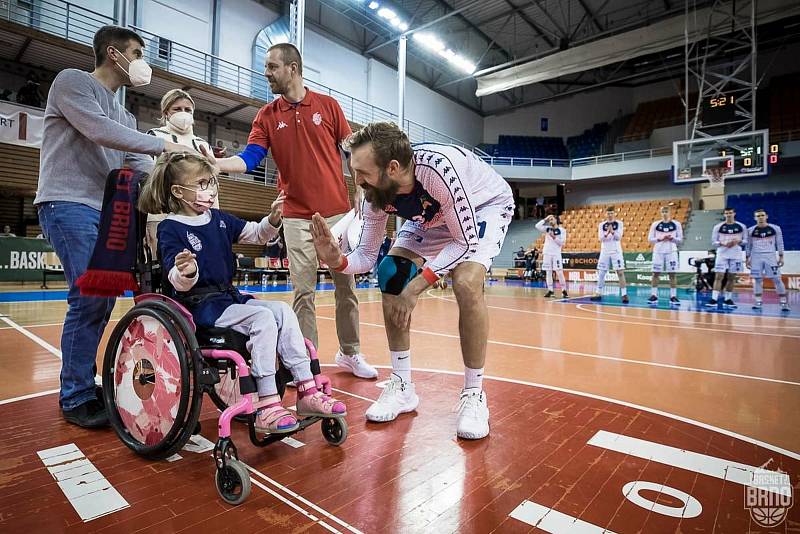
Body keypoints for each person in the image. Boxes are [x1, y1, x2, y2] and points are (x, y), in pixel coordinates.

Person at [310, 122, 515, 440]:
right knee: (391, 273)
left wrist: (417, 287)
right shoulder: (375, 194)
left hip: (483, 206)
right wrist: (336, 260)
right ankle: (402, 385)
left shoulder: (438, 171)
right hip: (432, 217)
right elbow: (366, 256)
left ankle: (474, 394)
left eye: (362, 172)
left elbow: (463, 242)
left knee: (466, 281)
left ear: (392, 168)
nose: (356, 181)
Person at [33, 25, 187, 428]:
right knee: (88, 297)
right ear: (112, 53)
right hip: (67, 203)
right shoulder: (72, 83)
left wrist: (179, 185)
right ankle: (75, 394)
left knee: (100, 301)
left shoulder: (127, 115)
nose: (142, 61)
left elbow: (138, 164)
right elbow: (100, 130)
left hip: (106, 213)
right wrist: (163, 144)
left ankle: (85, 381)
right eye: (136, 51)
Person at [138, 152, 346, 433]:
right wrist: (185, 272)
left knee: (283, 310)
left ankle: (307, 389)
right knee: (261, 320)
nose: (210, 189)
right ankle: (268, 402)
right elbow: (175, 280)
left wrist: (272, 220)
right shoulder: (170, 228)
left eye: (211, 182)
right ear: (178, 191)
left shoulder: (220, 219)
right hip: (199, 306)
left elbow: (255, 234)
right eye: (202, 184)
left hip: (228, 297)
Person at [208, 42, 376, 379]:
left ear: (292, 69)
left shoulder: (328, 106)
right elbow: (251, 157)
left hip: (337, 215)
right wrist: (217, 164)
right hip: (296, 215)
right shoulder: (266, 116)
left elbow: (352, 148)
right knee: (304, 291)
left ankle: (350, 353)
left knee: (346, 288)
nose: (266, 73)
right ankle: (307, 361)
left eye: (272, 67)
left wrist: (361, 182)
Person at [144, 89, 212, 257]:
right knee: (161, 257)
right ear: (166, 112)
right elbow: (148, 173)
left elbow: (211, 181)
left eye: (187, 110)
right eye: (177, 109)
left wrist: (214, 213)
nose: (183, 113)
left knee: (198, 255)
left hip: (198, 211)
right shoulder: (154, 136)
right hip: (162, 208)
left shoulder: (202, 144)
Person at [746, 209, 789, 312]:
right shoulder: (750, 230)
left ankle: (783, 302)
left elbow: (780, 243)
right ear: (754, 218)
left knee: (777, 279)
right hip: (756, 257)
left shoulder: (775, 228)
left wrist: (781, 256)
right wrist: (747, 258)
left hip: (770, 257)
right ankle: (758, 302)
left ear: (766, 216)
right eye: (758, 216)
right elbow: (748, 245)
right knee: (757, 279)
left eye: (762, 215)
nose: (760, 217)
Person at [706, 207, 746, 309]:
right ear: (724, 215)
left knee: (731, 277)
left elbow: (745, 241)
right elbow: (714, 242)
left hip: (736, 254)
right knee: (719, 276)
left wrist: (738, 241)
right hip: (722, 254)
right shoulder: (718, 227)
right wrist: (723, 243)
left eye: (730, 213)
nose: (729, 215)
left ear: (734, 214)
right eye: (727, 213)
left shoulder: (741, 226)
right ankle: (714, 299)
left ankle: (728, 299)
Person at [591, 206, 629, 303]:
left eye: (611, 213)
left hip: (616, 251)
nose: (610, 215)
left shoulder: (619, 223)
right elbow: (600, 238)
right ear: (606, 214)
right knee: (601, 273)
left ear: (614, 214)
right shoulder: (602, 225)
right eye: (608, 213)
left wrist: (612, 231)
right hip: (605, 251)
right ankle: (598, 292)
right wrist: (607, 233)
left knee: (620, 272)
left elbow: (618, 237)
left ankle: (624, 294)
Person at [647, 205, 683, 306]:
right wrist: (660, 239)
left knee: (672, 274)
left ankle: (673, 296)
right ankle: (654, 295)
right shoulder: (655, 224)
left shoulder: (676, 224)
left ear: (670, 212)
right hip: (658, 251)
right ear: (660, 212)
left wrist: (672, 238)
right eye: (663, 212)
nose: (664, 213)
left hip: (671, 251)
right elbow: (650, 239)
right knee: (655, 273)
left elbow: (680, 240)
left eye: (666, 211)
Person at [535, 215, 568, 298]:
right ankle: (550, 290)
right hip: (547, 253)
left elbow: (562, 243)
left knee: (559, 272)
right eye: (549, 220)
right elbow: (537, 226)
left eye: (552, 219)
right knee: (548, 272)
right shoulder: (547, 229)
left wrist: (553, 237)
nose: (550, 221)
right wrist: (545, 219)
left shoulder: (562, 230)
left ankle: (564, 290)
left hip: (556, 253)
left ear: (556, 220)